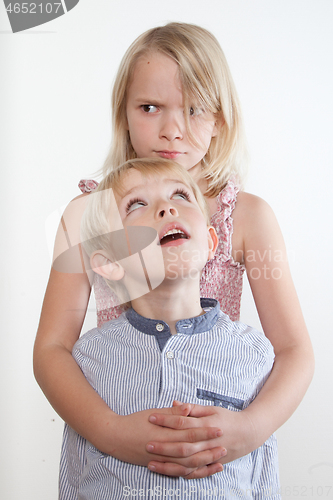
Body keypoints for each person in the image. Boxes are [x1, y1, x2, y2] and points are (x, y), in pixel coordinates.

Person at [34, 22, 314, 479]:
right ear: (123, 113)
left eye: (195, 110)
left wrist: (250, 428)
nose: (173, 131)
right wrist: (109, 431)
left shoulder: (247, 217)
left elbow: (295, 350)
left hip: (217, 449)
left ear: (222, 119)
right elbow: (51, 348)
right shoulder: (90, 213)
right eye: (150, 107)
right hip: (119, 441)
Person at [60, 158, 280, 499]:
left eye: (180, 195)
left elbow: (265, 480)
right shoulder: (87, 361)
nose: (166, 209)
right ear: (110, 264)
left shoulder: (254, 354)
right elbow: (74, 479)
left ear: (210, 242)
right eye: (137, 204)